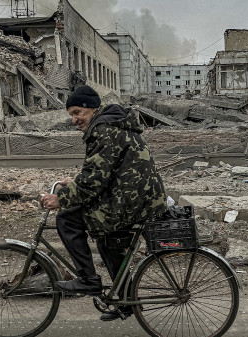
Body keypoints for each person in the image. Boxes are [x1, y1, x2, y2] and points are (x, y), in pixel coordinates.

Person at [40, 85, 167, 321]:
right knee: (107, 241)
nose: (74, 120)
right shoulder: (112, 124)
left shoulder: (103, 129)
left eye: (77, 112)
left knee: (67, 219)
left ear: (92, 108)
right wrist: (75, 181)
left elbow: (94, 179)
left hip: (131, 201)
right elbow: (104, 171)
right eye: (71, 115)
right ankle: (127, 302)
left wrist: (62, 199)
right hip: (139, 198)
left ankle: (88, 280)